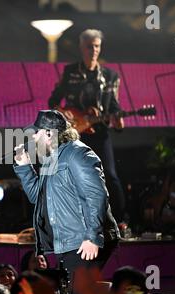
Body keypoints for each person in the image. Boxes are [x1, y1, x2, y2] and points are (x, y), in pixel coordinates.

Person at [13, 109, 120, 294]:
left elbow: (96, 195)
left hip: (84, 238)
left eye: (36, 132)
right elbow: (39, 199)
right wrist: (24, 168)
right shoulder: (50, 160)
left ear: (49, 133)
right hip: (69, 241)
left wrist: (92, 236)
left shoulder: (77, 153)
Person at [48, 29, 126, 223]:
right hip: (75, 133)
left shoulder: (110, 76)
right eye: (90, 46)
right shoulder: (70, 72)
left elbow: (114, 106)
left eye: (97, 46)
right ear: (81, 48)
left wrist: (119, 121)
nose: (94, 50)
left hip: (100, 132)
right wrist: (64, 113)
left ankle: (120, 220)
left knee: (110, 175)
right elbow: (53, 101)